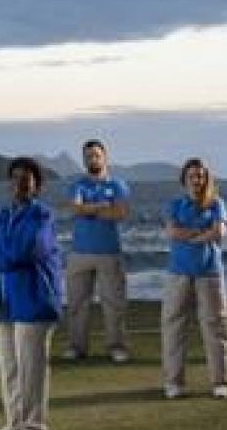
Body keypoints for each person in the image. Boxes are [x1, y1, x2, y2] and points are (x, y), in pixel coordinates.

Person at [0, 157, 62, 430]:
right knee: (9, 369)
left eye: (26, 178)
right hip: (3, 301)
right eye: (15, 177)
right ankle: (13, 423)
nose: (20, 183)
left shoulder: (43, 217)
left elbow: (25, 251)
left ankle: (34, 424)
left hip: (33, 300)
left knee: (31, 371)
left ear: (36, 185)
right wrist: (1, 254)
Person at [162, 158, 227, 400]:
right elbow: (171, 231)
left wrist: (190, 236)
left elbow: (219, 232)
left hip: (209, 272)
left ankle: (220, 382)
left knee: (216, 328)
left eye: (201, 175)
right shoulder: (175, 204)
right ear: (184, 179)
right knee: (174, 328)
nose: (196, 180)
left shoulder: (216, 203)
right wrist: (201, 233)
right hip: (178, 273)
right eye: (192, 175)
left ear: (206, 178)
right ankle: (174, 383)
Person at [64, 139, 131, 362]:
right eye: (88, 156)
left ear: (105, 156)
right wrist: (102, 207)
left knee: (113, 303)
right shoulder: (78, 185)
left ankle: (116, 346)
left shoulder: (118, 185)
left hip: (109, 252)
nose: (92, 159)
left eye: (96, 155)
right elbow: (75, 209)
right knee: (76, 303)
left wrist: (88, 209)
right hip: (79, 252)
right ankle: (76, 346)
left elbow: (120, 213)